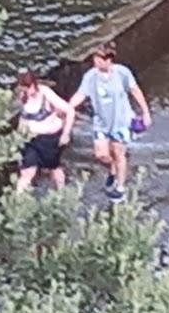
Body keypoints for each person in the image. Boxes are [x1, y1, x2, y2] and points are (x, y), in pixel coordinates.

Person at [65, 41, 151, 203]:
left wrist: (145, 111)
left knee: (119, 153)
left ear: (108, 60)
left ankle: (120, 187)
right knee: (101, 154)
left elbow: (135, 90)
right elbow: (81, 94)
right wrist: (67, 106)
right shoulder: (91, 77)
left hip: (121, 121)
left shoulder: (122, 73)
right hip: (101, 122)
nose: (96, 62)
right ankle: (113, 167)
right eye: (95, 58)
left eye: (99, 59)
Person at [13, 70, 74, 193]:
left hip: (49, 139)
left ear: (34, 84)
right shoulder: (21, 96)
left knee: (53, 167)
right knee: (27, 172)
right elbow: (22, 118)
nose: (27, 92)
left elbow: (70, 110)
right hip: (30, 140)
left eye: (28, 88)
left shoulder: (45, 93)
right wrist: (17, 140)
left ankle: (61, 194)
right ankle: (17, 201)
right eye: (23, 89)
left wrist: (66, 134)